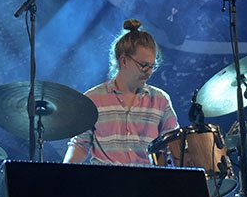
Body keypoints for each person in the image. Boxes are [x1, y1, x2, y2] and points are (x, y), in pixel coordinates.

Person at [64, 18, 179, 165]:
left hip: (147, 184)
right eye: (144, 66)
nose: (149, 72)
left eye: (152, 66)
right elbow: (80, 145)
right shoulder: (92, 99)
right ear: (123, 61)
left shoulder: (161, 100)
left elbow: (174, 147)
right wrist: (63, 177)